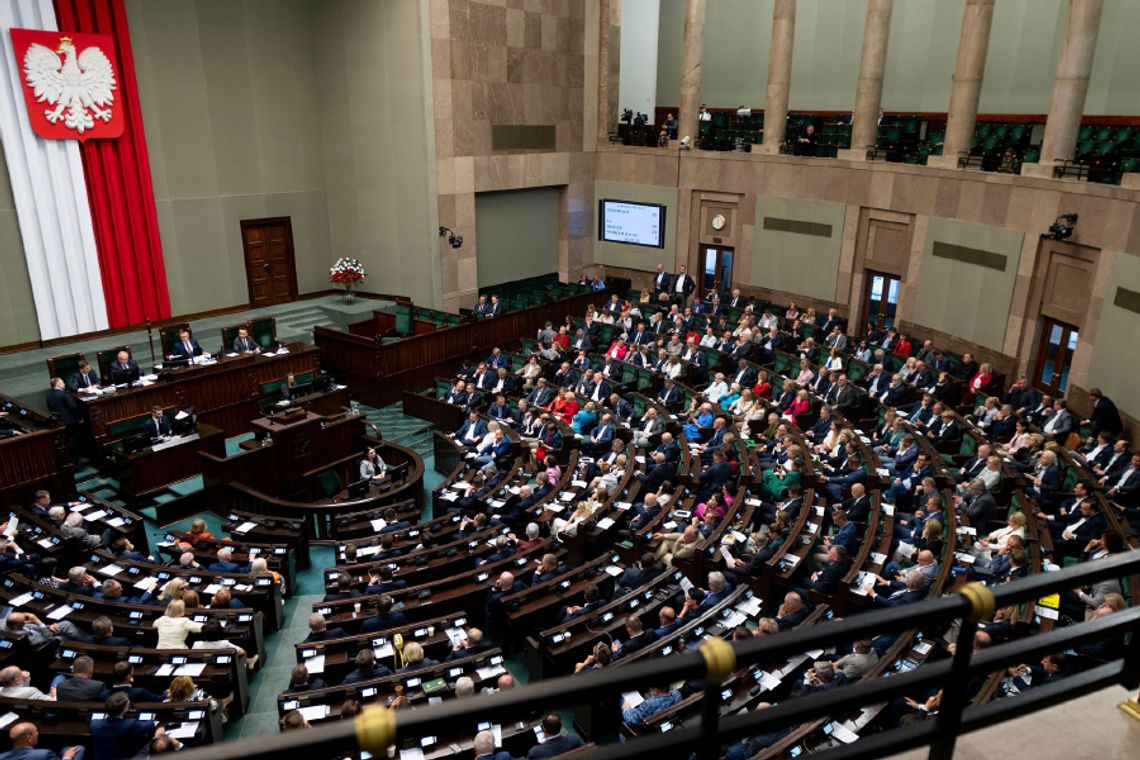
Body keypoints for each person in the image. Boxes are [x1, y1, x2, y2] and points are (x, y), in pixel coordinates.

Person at [89, 692, 161, 760]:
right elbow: (150, 725)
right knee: (147, 742)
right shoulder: (130, 724)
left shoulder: (94, 724)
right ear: (125, 709)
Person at [1, 722, 84, 760]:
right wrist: (67, 757)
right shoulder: (44, 754)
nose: (37, 733)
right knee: (79, 748)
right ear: (29, 738)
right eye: (36, 732)